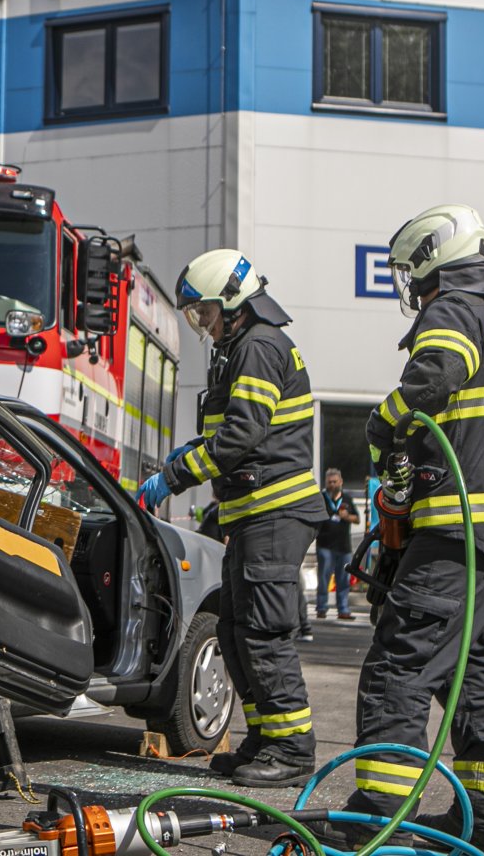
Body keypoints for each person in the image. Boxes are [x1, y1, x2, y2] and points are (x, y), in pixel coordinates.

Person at [334, 204, 484, 855]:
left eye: (410, 273)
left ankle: (378, 814)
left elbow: (435, 376)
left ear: (431, 264)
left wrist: (384, 422)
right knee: (471, 676)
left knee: (400, 664)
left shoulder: (452, 311)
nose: (410, 288)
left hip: (453, 530)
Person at [138, 249, 326, 787]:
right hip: (250, 513)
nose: (201, 324)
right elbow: (228, 432)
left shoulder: (260, 347)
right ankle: (266, 740)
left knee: (264, 633)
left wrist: (175, 477)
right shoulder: (241, 347)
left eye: (204, 312)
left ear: (233, 303)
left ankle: (292, 749)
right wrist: (185, 457)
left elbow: (241, 436)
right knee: (237, 631)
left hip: (274, 511)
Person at [316, 469, 361, 620]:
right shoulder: (321, 498)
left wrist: (347, 516)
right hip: (325, 546)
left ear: (341, 482)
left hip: (344, 547)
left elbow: (357, 519)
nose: (332, 485)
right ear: (326, 483)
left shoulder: (347, 498)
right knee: (324, 579)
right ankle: (321, 608)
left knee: (343, 581)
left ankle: (343, 609)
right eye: (330, 482)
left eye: (335, 482)